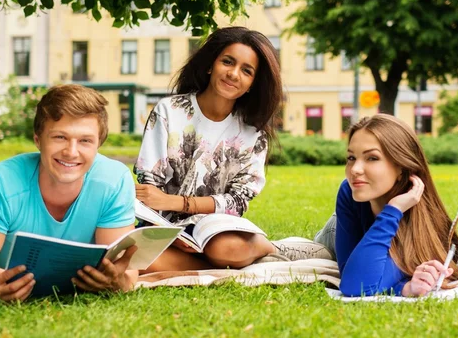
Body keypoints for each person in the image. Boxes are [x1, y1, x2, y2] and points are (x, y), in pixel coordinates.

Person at [135, 26, 332, 270]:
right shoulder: (169, 112)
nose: (234, 74)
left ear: (252, 83)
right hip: (161, 226)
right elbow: (148, 188)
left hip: (216, 231)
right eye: (227, 62)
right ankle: (231, 262)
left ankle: (271, 249)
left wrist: (177, 203)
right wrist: (166, 231)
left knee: (225, 249)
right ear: (210, 65)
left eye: (246, 71)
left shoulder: (252, 134)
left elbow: (237, 201)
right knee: (141, 259)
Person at [0, 84, 140, 301]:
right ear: (38, 140)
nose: (71, 152)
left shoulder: (114, 180)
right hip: (3, 219)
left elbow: (125, 271)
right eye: (60, 137)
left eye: (85, 141)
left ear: (99, 144)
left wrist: (118, 282)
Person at [319, 114, 458, 297]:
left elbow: (359, 284)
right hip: (334, 231)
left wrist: (393, 211)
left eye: (372, 158)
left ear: (402, 166)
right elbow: (353, 283)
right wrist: (393, 212)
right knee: (314, 251)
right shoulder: (349, 192)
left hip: (371, 241)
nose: (355, 169)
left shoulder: (421, 223)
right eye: (351, 158)